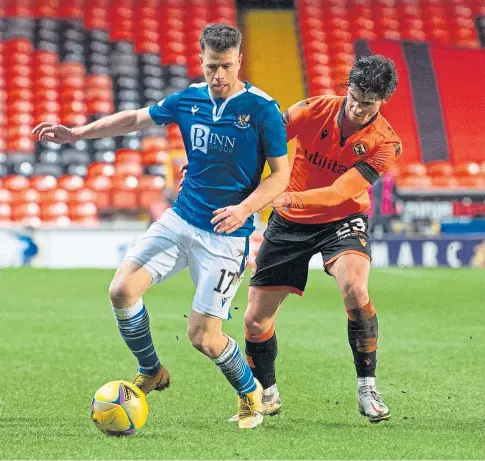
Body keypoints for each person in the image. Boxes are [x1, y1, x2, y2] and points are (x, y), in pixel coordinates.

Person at [32, 23, 289, 429]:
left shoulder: (263, 110)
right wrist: (77, 133)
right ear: (201, 62)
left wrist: (245, 209)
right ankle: (151, 369)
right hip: (181, 218)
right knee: (121, 290)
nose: (218, 76)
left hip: (225, 236)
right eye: (210, 67)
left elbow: (280, 176)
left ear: (239, 61)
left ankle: (251, 395)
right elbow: (135, 118)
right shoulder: (188, 100)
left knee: (203, 337)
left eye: (225, 67)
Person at [239, 55, 402, 423]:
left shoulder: (385, 143)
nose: (358, 108)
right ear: (348, 86)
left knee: (356, 290)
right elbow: (260, 143)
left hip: (342, 218)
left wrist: (279, 196)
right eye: (355, 96)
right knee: (254, 321)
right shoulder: (311, 110)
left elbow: (338, 192)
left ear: (383, 102)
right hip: (290, 221)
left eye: (369, 103)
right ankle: (267, 391)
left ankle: (367, 388)